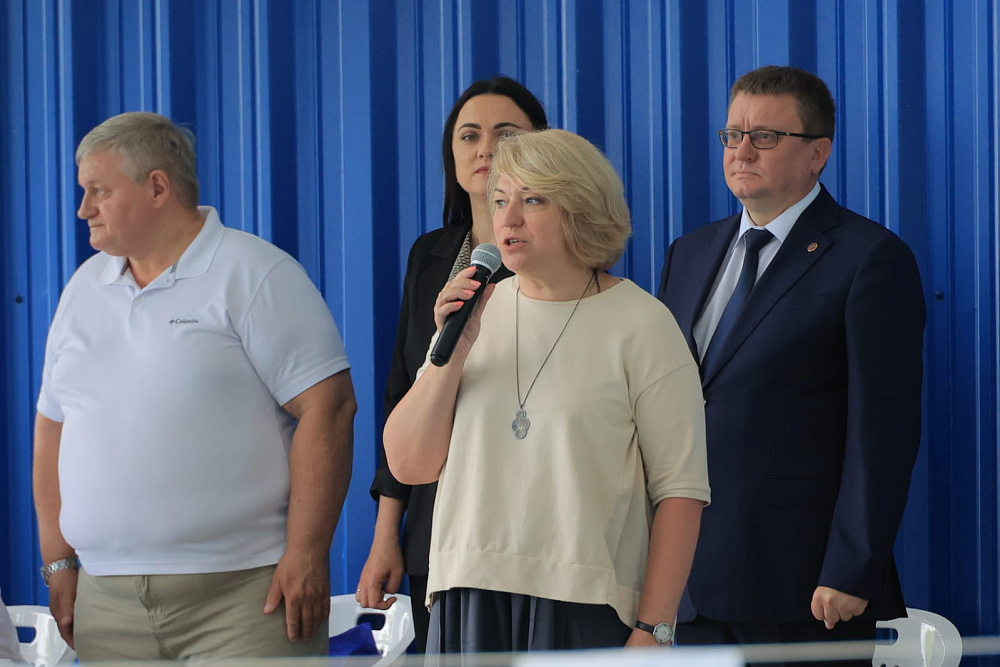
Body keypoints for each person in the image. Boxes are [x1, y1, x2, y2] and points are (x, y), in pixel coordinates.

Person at [33, 112, 356, 661]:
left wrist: (307, 553)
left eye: (99, 191)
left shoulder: (254, 272)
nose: (84, 208)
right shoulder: (82, 288)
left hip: (245, 602)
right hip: (106, 605)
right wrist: (59, 563)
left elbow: (330, 406)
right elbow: (52, 427)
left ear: (158, 187)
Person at [384, 128, 710, 657]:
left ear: (581, 211)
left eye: (532, 200)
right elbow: (409, 463)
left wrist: (655, 629)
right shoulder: (474, 312)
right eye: (499, 200)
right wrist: (452, 353)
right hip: (467, 593)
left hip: (582, 602)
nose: (507, 219)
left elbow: (681, 491)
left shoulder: (642, 323)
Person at [657, 66, 925, 665]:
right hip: (687, 581)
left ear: (817, 153)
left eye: (765, 136)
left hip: (804, 587)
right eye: (732, 135)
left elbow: (883, 431)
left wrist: (852, 566)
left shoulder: (869, 258)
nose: (742, 151)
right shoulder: (689, 253)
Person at [356, 76, 547, 652]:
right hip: (433, 519)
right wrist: (386, 534)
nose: (486, 149)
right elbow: (402, 391)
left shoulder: (558, 260)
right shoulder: (430, 254)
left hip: (525, 524)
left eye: (506, 134)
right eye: (469, 135)